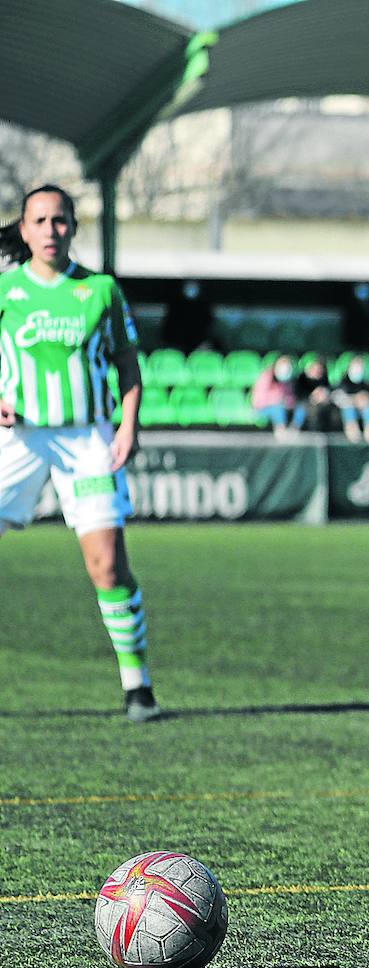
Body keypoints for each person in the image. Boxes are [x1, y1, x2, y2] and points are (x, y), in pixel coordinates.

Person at [0, 185, 162, 722]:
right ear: (23, 230)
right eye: (40, 221)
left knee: (108, 566)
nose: (51, 230)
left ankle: (137, 685)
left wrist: (128, 426)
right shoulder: (5, 291)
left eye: (60, 220)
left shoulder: (99, 290)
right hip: (17, 440)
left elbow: (128, 364)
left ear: (74, 226)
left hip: (86, 439)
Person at [251, 354, 305, 435]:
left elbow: (291, 398)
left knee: (301, 408)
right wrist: (274, 400)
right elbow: (257, 400)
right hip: (263, 408)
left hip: (285, 408)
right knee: (277, 408)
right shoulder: (266, 377)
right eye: (282, 364)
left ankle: (294, 430)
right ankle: (280, 431)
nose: (285, 367)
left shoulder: (290, 380)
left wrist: (288, 402)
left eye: (287, 365)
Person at [333, 354, 369, 443]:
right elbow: (337, 397)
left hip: (364, 409)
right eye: (354, 366)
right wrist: (353, 399)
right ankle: (351, 428)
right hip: (346, 411)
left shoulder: (367, 383)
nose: (357, 369)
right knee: (347, 407)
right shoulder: (342, 382)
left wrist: (366, 398)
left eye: (359, 366)